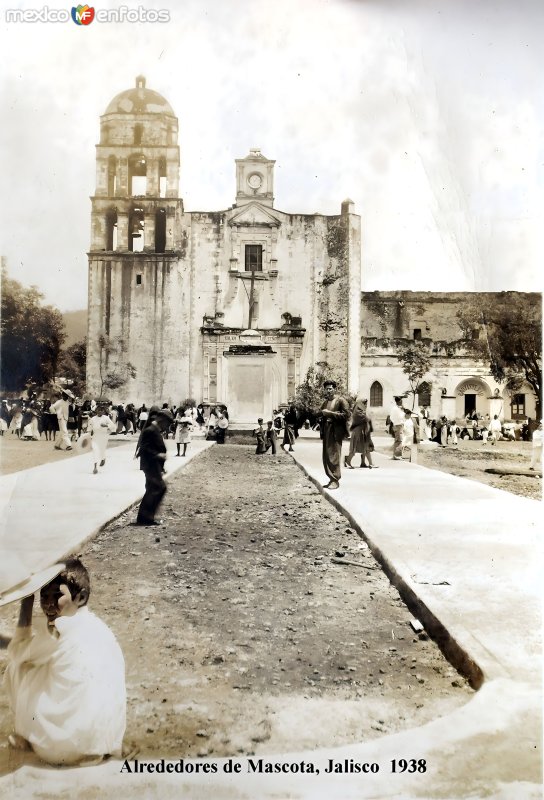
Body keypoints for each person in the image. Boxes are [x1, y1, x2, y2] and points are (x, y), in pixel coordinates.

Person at [4, 558, 126, 766]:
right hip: (99, 746)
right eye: (44, 596)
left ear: (81, 597)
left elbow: (16, 652)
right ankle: (103, 748)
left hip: (60, 750)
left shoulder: (61, 628)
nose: (49, 603)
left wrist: (26, 604)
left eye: (57, 595)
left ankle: (26, 736)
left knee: (19, 665)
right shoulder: (100, 627)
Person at [134, 406, 173, 526]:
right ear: (162, 420)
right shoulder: (150, 430)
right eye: (167, 423)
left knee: (154, 489)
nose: (167, 426)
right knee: (158, 488)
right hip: (149, 465)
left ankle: (146, 517)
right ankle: (145, 518)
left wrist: (161, 465)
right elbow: (144, 449)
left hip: (154, 465)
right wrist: (157, 455)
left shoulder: (154, 430)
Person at [318, 380, 350, 490]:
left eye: (330, 388)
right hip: (326, 430)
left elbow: (346, 415)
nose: (328, 390)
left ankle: (335, 480)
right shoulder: (325, 401)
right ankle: (331, 478)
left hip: (336, 431)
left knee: (334, 455)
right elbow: (320, 412)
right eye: (326, 389)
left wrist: (330, 414)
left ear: (335, 389)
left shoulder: (341, 401)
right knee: (327, 455)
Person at [344, 397, 376, 469]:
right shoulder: (358, 412)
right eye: (364, 403)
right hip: (358, 431)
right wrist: (368, 418)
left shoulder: (362, 411)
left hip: (363, 431)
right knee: (354, 447)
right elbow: (364, 418)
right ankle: (348, 461)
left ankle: (366, 463)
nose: (366, 404)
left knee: (365, 447)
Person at [89, 404, 115, 474]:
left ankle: (103, 458)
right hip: (95, 437)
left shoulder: (106, 418)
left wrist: (106, 425)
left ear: (104, 411)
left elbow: (113, 426)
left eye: (102, 410)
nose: (100, 411)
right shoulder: (92, 419)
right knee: (95, 450)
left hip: (103, 437)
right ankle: (95, 467)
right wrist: (88, 436)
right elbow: (89, 429)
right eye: (99, 410)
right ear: (96, 410)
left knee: (102, 450)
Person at [388, 395, 405, 460]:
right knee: (399, 440)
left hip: (397, 424)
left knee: (397, 440)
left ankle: (395, 455)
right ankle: (397, 455)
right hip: (398, 425)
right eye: (401, 401)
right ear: (399, 401)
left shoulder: (395, 408)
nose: (402, 402)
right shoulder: (396, 409)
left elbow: (392, 418)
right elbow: (401, 417)